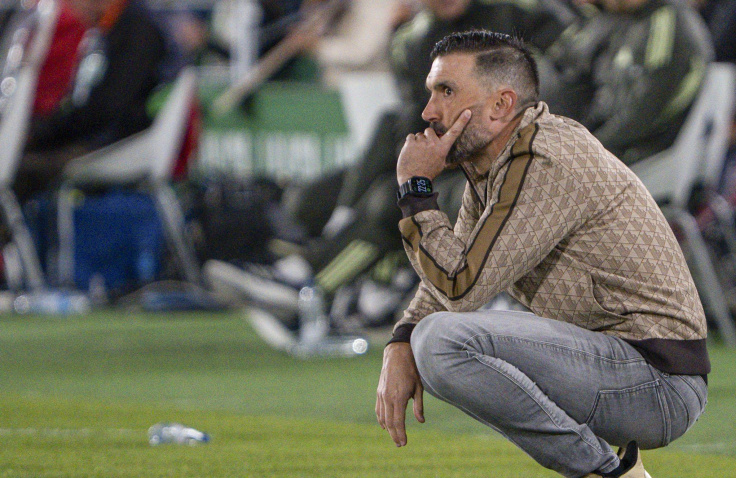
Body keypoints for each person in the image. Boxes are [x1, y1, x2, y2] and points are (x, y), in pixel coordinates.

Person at [375, 30, 709, 477]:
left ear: (501, 105)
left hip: (655, 381)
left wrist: (415, 191)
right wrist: (401, 339)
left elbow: (460, 288)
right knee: (429, 338)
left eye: (446, 92)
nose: (429, 111)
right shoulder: (502, 161)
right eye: (432, 92)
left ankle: (606, 473)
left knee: (442, 342)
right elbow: (452, 270)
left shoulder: (544, 158)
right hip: (617, 365)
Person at [204, 0, 568, 326]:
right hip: (451, 158)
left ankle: (314, 286)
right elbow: (416, 119)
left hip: (511, 159)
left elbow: (558, 95)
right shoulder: (413, 41)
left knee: (389, 200)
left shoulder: (524, 18)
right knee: (316, 195)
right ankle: (322, 263)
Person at [18, 0, 168, 201]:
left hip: (111, 144)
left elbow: (104, 110)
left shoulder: (137, 31)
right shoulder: (116, 27)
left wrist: (43, 133)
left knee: (18, 167)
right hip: (101, 137)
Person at [546, 0, 713, 165]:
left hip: (638, 157)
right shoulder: (631, 18)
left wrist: (584, 150)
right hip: (602, 142)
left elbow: (642, 115)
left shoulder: (667, 25)